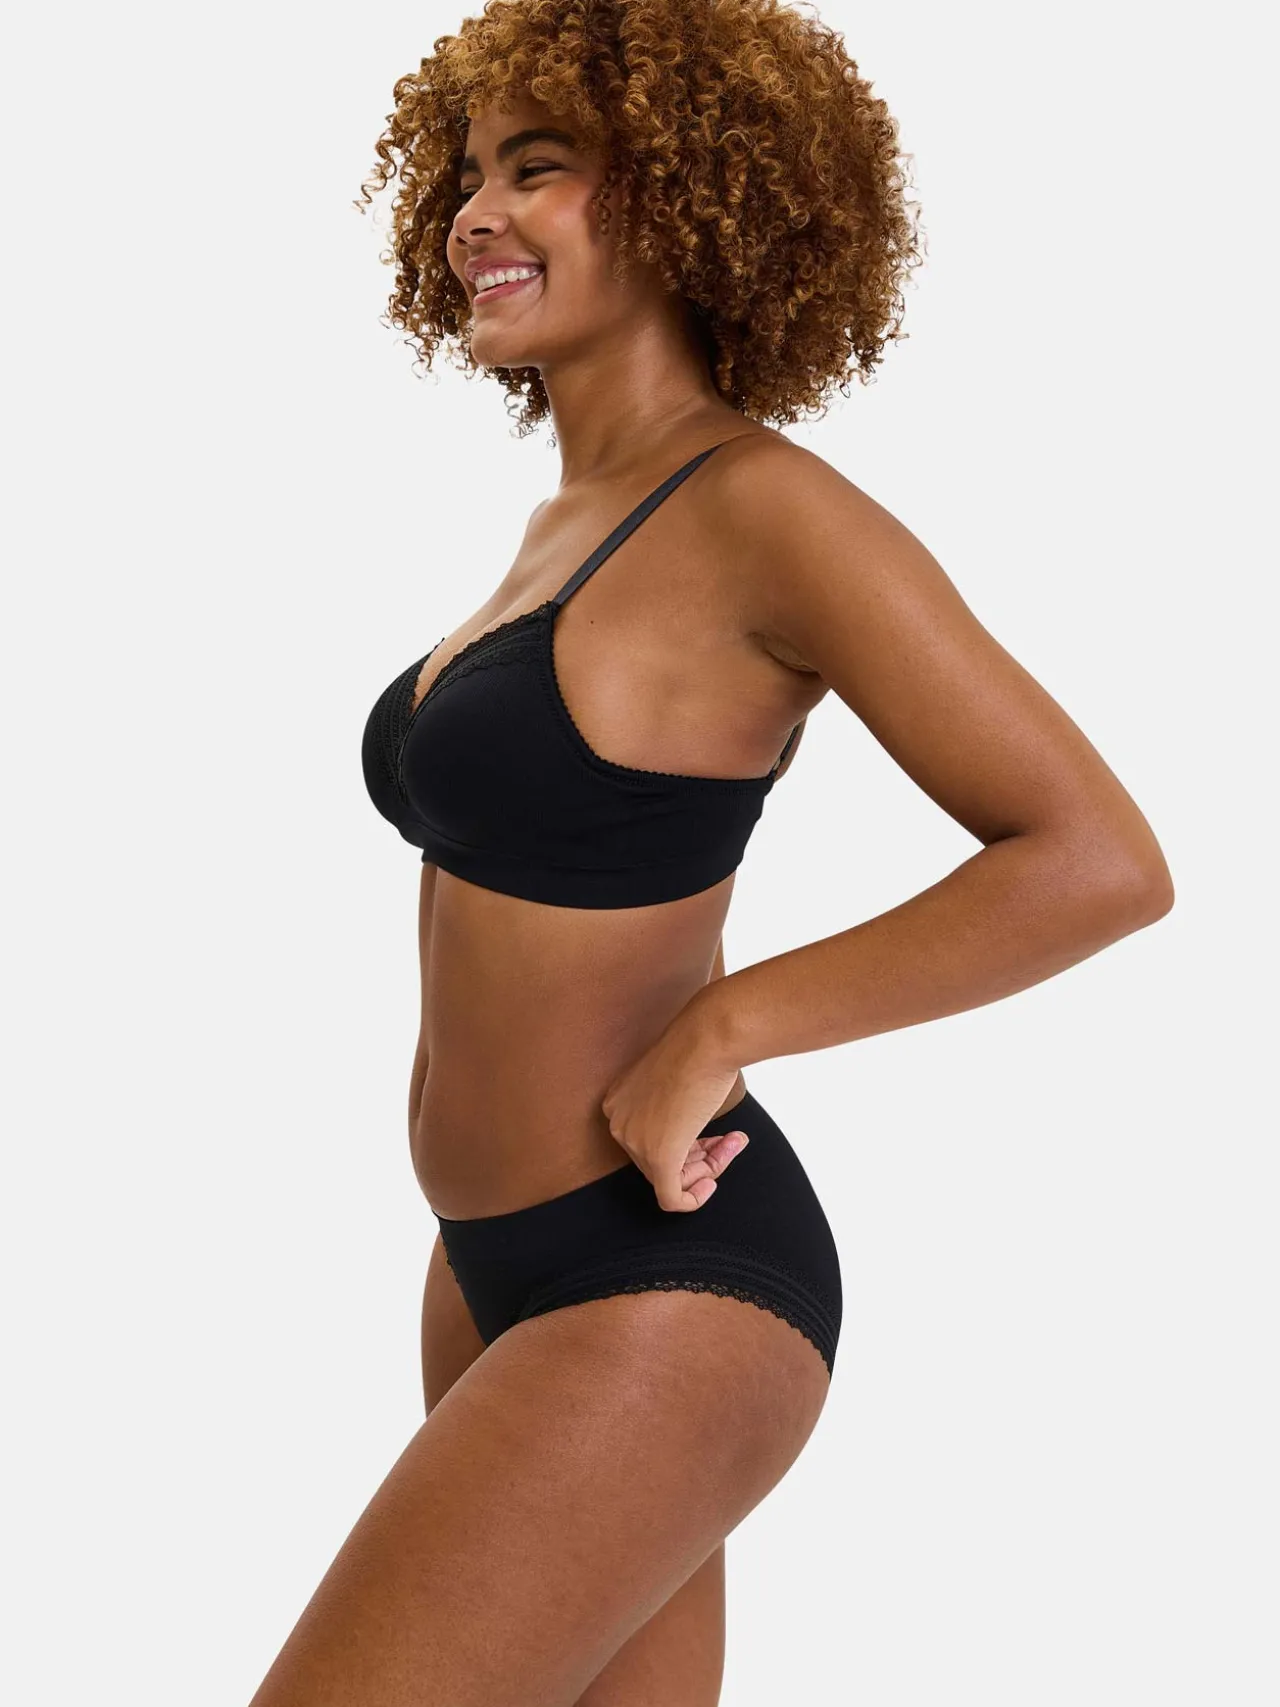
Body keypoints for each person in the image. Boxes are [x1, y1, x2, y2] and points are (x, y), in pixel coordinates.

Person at [249, 3, 1174, 1702]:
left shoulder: (763, 509)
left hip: (662, 1271)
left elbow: (1095, 855)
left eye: (538, 168)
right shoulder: (563, 524)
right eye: (468, 173)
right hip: (489, 1260)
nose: (475, 213)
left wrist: (724, 1026)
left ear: (686, 197)